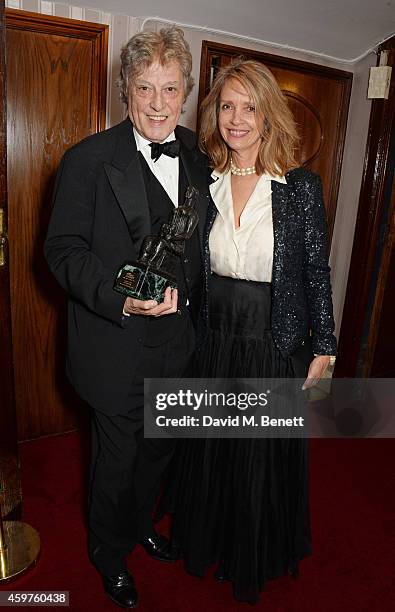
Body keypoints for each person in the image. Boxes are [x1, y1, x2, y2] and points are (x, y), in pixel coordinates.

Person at [44, 26, 209, 609]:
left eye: (170, 89)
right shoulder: (87, 160)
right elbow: (61, 250)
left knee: (160, 449)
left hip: (178, 341)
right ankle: (108, 553)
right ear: (126, 90)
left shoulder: (198, 153)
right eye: (146, 88)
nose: (159, 103)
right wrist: (123, 297)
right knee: (116, 461)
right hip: (115, 343)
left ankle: (140, 523)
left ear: (185, 91)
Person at [162, 59, 337, 604]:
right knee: (213, 453)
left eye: (249, 106)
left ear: (268, 114)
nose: (236, 118)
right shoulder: (202, 182)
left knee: (256, 458)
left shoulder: (300, 188)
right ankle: (210, 541)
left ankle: (249, 554)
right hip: (213, 343)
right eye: (226, 106)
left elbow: (316, 273)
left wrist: (325, 347)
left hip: (271, 344)